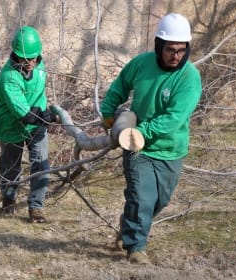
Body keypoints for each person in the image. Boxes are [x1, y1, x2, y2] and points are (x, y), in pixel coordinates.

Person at [100, 13, 202, 264]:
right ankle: (136, 248)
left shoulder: (189, 77)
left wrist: (142, 132)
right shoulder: (141, 64)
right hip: (136, 148)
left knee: (160, 200)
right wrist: (108, 114)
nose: (175, 55)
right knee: (141, 197)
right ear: (159, 45)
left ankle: (129, 225)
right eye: (170, 49)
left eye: (181, 50)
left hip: (171, 148)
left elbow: (174, 117)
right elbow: (119, 86)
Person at [0, 26, 56, 222]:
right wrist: (44, 116)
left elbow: (39, 96)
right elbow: (24, 114)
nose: (29, 62)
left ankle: (36, 207)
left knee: (41, 164)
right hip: (11, 125)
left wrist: (46, 113)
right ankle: (9, 200)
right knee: (11, 167)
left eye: (33, 58)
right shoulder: (8, 78)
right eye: (24, 58)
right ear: (15, 55)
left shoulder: (40, 68)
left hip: (36, 125)